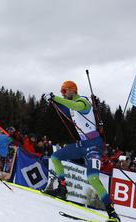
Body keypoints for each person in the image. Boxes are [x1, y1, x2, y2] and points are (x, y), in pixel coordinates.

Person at [44, 80, 120, 221]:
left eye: (64, 91)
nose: (63, 94)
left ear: (72, 90)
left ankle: (112, 214)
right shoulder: (72, 106)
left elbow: (75, 106)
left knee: (92, 178)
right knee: (55, 157)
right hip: (83, 144)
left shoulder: (83, 102)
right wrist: (54, 102)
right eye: (61, 92)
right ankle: (62, 189)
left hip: (94, 144)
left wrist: (55, 97)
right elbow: (68, 109)